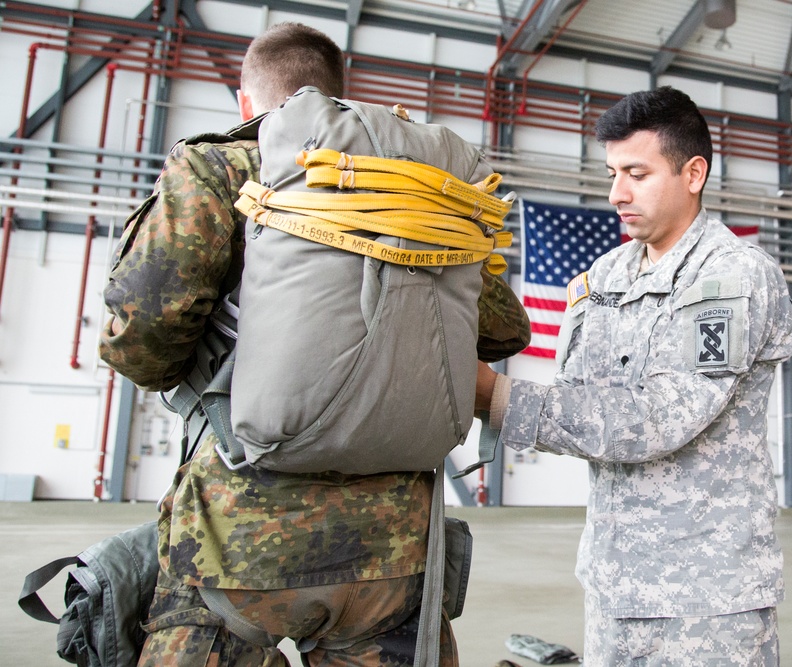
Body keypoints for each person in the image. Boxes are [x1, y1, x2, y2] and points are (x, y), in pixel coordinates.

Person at [99, 22, 530, 666]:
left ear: (249, 103)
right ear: (336, 96)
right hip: (393, 553)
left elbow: (143, 339)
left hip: (237, 541)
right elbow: (501, 331)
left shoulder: (221, 167)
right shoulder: (416, 187)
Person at [475, 86, 792, 665]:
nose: (616, 193)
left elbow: (656, 418)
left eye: (637, 173)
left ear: (692, 173)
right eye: (611, 172)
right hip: (614, 583)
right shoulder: (605, 275)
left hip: (705, 597)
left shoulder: (731, 276)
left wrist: (494, 395)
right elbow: (581, 401)